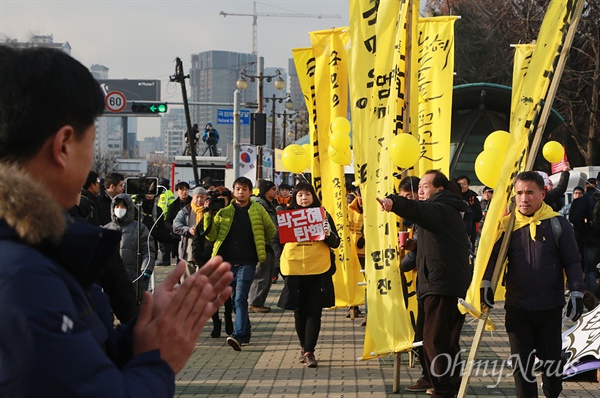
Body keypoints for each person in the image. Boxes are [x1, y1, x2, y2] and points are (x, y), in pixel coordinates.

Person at [0, 46, 233, 396]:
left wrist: (137, 338)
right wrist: (159, 360)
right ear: (63, 145)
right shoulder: (25, 280)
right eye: (90, 141)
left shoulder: (32, 254)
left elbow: (69, 369)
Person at [481, 171, 585, 398]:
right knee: (522, 368)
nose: (523, 198)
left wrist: (577, 291)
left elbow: (573, 261)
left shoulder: (558, 224)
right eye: (519, 193)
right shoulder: (507, 226)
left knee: (552, 369)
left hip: (549, 309)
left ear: (542, 194)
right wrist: (485, 284)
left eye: (529, 192)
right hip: (517, 308)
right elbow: (493, 259)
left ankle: (552, 393)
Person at [378, 170, 472, 398]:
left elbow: (417, 210)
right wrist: (415, 246)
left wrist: (394, 202)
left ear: (439, 188)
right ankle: (445, 381)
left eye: (425, 186)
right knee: (443, 338)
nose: (420, 190)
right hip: (443, 281)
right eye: (419, 186)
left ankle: (443, 388)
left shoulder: (440, 208)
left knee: (434, 339)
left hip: (442, 283)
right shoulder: (446, 208)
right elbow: (440, 243)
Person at [203, 176, 277, 351]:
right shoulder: (224, 212)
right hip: (226, 263)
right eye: (238, 189)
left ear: (250, 192)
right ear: (234, 191)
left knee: (240, 298)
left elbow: (271, 229)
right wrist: (208, 215)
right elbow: (211, 236)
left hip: (247, 262)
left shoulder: (258, 209)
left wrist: (260, 243)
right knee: (236, 301)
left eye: (244, 189)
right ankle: (245, 332)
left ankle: (237, 335)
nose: (241, 192)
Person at [277, 182, 340, 368]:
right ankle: (303, 346)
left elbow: (335, 242)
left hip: (318, 269)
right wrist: (283, 258)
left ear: (313, 196)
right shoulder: (287, 217)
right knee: (299, 312)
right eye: (300, 195)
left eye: (307, 194)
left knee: (314, 311)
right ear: (294, 198)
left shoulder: (323, 215)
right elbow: (275, 240)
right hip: (294, 270)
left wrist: (327, 233)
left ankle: (309, 351)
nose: (304, 198)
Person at [103, 194, 156, 294]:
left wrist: (146, 270)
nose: (119, 209)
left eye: (123, 206)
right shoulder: (106, 230)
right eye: (117, 206)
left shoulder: (140, 228)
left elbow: (148, 251)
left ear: (129, 208)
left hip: (134, 279)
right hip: (110, 280)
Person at [249, 180, 281, 313]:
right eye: (273, 189)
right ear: (266, 190)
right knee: (260, 274)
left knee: (267, 274)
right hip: (262, 243)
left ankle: (259, 301)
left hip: (270, 243)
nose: (276, 192)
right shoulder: (258, 204)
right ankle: (254, 302)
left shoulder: (270, 204)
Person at [172, 186, 207, 271]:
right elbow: (176, 226)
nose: (199, 200)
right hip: (188, 252)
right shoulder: (185, 211)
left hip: (205, 251)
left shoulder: (209, 211)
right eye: (197, 197)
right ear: (193, 197)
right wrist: (188, 230)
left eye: (202, 197)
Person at [165, 181, 192, 262]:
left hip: (191, 233)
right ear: (177, 192)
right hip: (178, 236)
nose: (184, 192)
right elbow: (167, 221)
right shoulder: (173, 205)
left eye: (186, 189)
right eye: (182, 190)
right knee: (180, 258)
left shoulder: (193, 202)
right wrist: (174, 229)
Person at [455, 175, 483, 249]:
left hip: (470, 232)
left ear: (468, 185)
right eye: (459, 184)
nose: (461, 186)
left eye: (464, 184)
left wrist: (468, 212)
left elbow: (478, 216)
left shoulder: (473, 198)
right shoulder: (453, 196)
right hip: (455, 231)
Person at [156, 178, 176, 265]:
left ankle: (165, 260)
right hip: (163, 220)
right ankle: (165, 259)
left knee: (164, 243)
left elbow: (167, 208)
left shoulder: (165, 194)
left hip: (164, 220)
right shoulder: (167, 193)